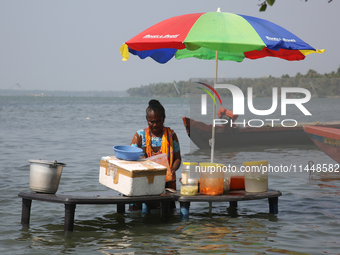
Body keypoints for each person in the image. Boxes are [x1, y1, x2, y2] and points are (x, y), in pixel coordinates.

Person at [130, 99, 181, 190]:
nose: (155, 125)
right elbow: (130, 158)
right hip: (144, 182)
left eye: (158, 121)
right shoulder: (140, 136)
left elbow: (177, 158)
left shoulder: (171, 135)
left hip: (167, 182)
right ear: (147, 120)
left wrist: (172, 169)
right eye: (151, 122)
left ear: (163, 119)